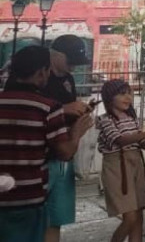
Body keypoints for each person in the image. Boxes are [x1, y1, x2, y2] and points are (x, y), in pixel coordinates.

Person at [0, 46, 93, 242]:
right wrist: (76, 133)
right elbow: (64, 153)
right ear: (42, 72)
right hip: (29, 198)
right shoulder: (48, 108)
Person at [96, 79, 145, 242]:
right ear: (110, 98)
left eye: (129, 93)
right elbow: (120, 140)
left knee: (138, 215)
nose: (128, 97)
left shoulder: (131, 118)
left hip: (136, 166)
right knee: (130, 217)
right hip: (117, 169)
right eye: (122, 93)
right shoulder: (105, 120)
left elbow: (141, 144)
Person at [42, 34, 91, 242]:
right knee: (36, 216)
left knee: (56, 218)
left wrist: (78, 112)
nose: (74, 66)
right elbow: (32, 109)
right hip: (42, 156)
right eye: (70, 61)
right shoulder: (40, 75)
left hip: (64, 152)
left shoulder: (68, 79)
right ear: (55, 55)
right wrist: (65, 109)